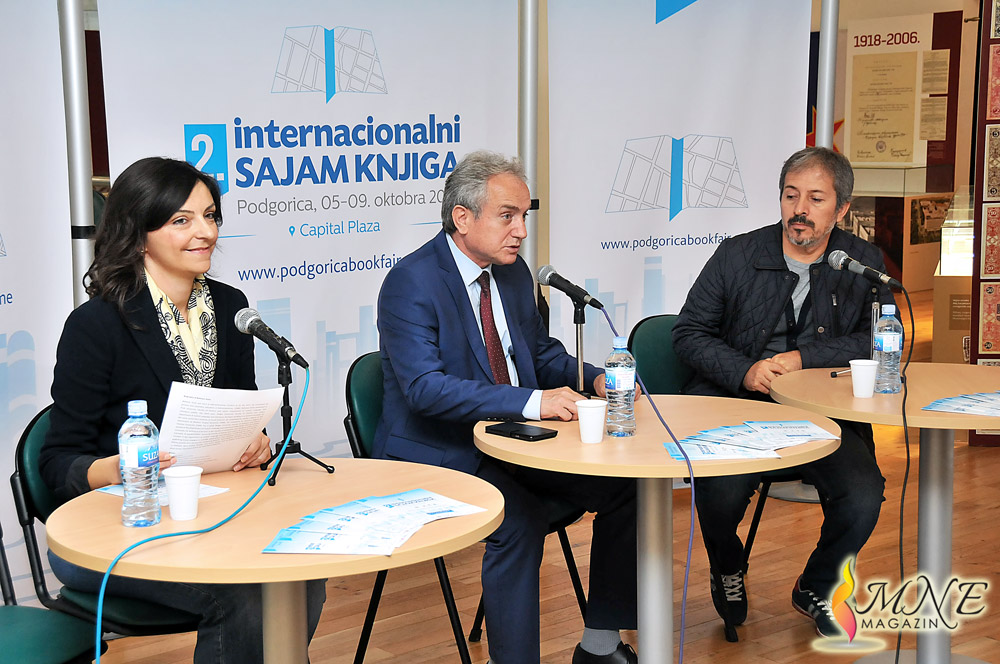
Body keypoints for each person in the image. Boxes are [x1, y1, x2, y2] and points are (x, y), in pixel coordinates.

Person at [39, 157, 326, 663]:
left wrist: (256, 442)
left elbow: (240, 408)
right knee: (245, 594)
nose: (206, 232)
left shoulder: (232, 307)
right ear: (138, 234)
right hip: (117, 534)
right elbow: (57, 462)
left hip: (214, 517)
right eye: (182, 220)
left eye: (210, 216)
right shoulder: (97, 325)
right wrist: (121, 468)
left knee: (300, 576)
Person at [375, 150, 638, 664]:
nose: (521, 230)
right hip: (441, 449)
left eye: (524, 215)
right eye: (507, 216)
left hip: (518, 441)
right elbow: (426, 389)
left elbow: (539, 353)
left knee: (626, 489)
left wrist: (596, 378)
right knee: (519, 523)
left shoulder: (513, 275)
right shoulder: (411, 282)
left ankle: (599, 645)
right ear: (462, 217)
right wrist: (535, 402)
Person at [672, 147, 893, 637]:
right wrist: (745, 370)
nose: (800, 209)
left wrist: (803, 359)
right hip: (738, 404)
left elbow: (879, 339)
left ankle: (817, 584)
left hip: (823, 410)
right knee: (720, 492)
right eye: (791, 196)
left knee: (863, 494)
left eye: (816, 199)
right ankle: (727, 566)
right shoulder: (738, 254)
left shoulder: (862, 262)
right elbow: (688, 333)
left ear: (841, 209)